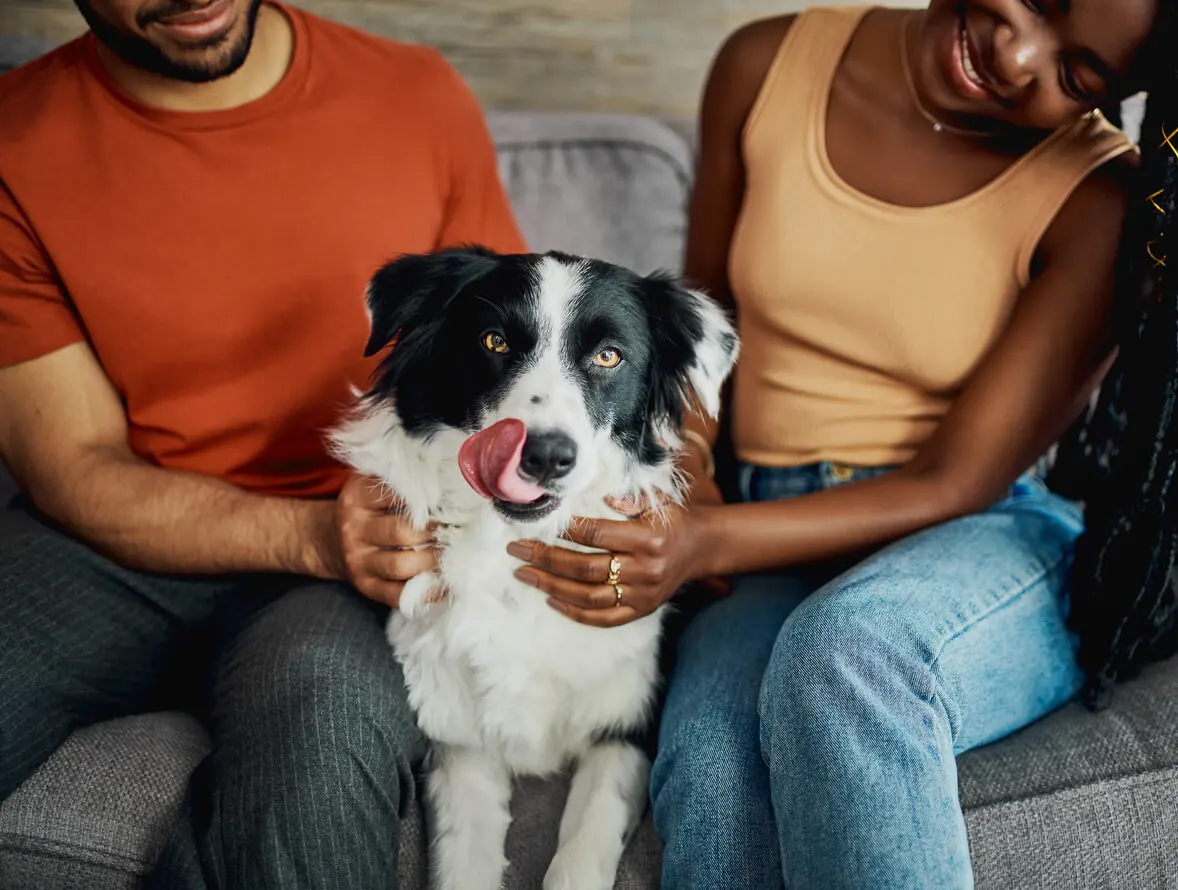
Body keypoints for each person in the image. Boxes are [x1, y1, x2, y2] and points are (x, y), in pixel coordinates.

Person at [506, 0, 1176, 886]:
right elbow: (707, 326)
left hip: (972, 538)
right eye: (1042, 1)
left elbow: (958, 480)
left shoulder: (1098, 200)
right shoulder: (765, 62)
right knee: (711, 763)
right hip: (767, 533)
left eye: (1078, 76)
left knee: (848, 654)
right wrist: (688, 475)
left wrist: (706, 540)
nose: (1020, 55)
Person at [0, 0, 525, 886]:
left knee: (320, 736)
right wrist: (310, 535)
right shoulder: (15, 143)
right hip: (112, 540)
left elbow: (515, 371)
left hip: (370, 542)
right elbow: (72, 465)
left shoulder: (414, 94)